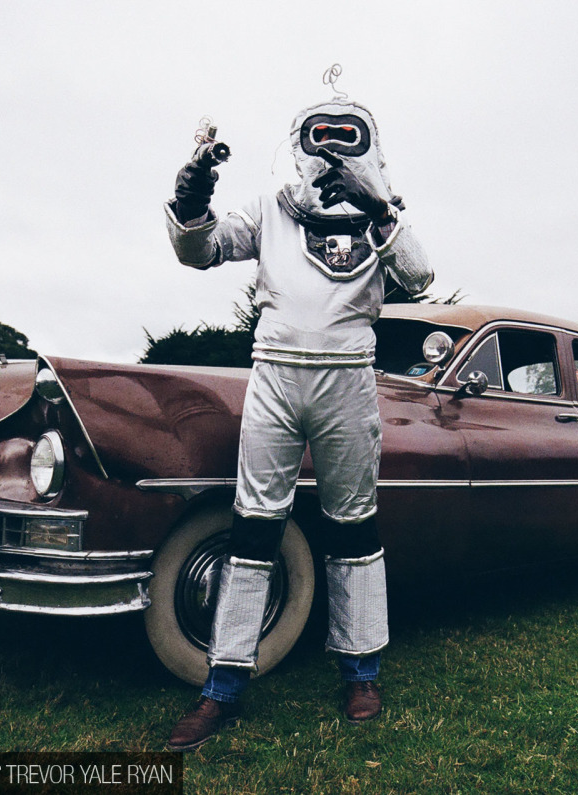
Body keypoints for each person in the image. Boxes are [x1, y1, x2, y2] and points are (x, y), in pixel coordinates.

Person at [163, 97, 433, 751]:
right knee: (253, 526)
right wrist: (191, 200)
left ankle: (361, 671)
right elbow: (202, 250)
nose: (333, 150)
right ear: (300, 142)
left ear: (368, 143)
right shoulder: (272, 206)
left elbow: (420, 277)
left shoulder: (382, 214)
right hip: (276, 374)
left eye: (347, 138)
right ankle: (221, 685)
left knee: (354, 527)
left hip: (347, 373)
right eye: (323, 137)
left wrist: (378, 207)